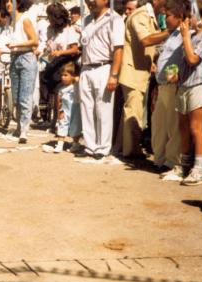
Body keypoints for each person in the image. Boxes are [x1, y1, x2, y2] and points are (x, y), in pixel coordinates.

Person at [166, 1, 202, 185]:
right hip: (184, 86)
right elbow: (184, 63)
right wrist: (175, 75)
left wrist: (186, 36)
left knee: (196, 128)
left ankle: (198, 170)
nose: (186, 20)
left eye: (190, 16)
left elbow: (193, 59)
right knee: (183, 128)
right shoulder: (191, 36)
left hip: (199, 85)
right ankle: (183, 166)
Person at [119, 0, 169, 158]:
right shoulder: (140, 15)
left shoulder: (149, 15)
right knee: (133, 112)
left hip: (140, 70)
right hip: (133, 71)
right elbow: (146, 40)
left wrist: (150, 61)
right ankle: (132, 152)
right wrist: (172, 31)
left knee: (132, 111)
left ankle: (125, 148)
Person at [77, 0, 125, 158]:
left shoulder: (115, 19)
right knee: (86, 109)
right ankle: (90, 146)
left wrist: (114, 75)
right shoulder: (86, 20)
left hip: (104, 67)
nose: (90, 2)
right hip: (86, 67)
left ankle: (103, 148)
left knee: (103, 110)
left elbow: (118, 49)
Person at [152, 0, 185, 174]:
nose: (166, 18)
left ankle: (171, 161)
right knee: (159, 124)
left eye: (169, 15)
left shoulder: (185, 35)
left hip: (173, 85)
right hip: (162, 84)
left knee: (173, 125)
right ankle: (159, 158)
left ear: (180, 17)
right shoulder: (171, 34)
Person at [6, 0, 39, 144]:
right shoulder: (10, 22)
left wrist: (16, 44)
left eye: (11, 1)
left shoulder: (25, 19)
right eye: (6, 1)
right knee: (16, 96)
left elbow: (34, 41)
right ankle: (19, 126)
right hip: (14, 57)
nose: (8, 4)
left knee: (25, 95)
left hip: (26, 56)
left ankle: (24, 129)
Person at [41, 2, 80, 123]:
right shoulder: (50, 30)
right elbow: (49, 46)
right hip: (52, 62)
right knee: (45, 83)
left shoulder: (69, 30)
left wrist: (60, 52)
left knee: (59, 92)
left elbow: (75, 49)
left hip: (64, 63)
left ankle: (60, 120)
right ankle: (47, 116)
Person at [44, 62, 82, 153]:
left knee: (75, 127)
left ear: (72, 76)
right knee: (62, 125)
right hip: (65, 110)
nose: (63, 77)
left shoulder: (76, 86)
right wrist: (59, 112)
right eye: (62, 75)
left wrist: (76, 78)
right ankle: (60, 144)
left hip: (76, 110)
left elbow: (80, 80)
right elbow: (59, 101)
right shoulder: (61, 89)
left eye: (66, 75)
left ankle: (75, 144)